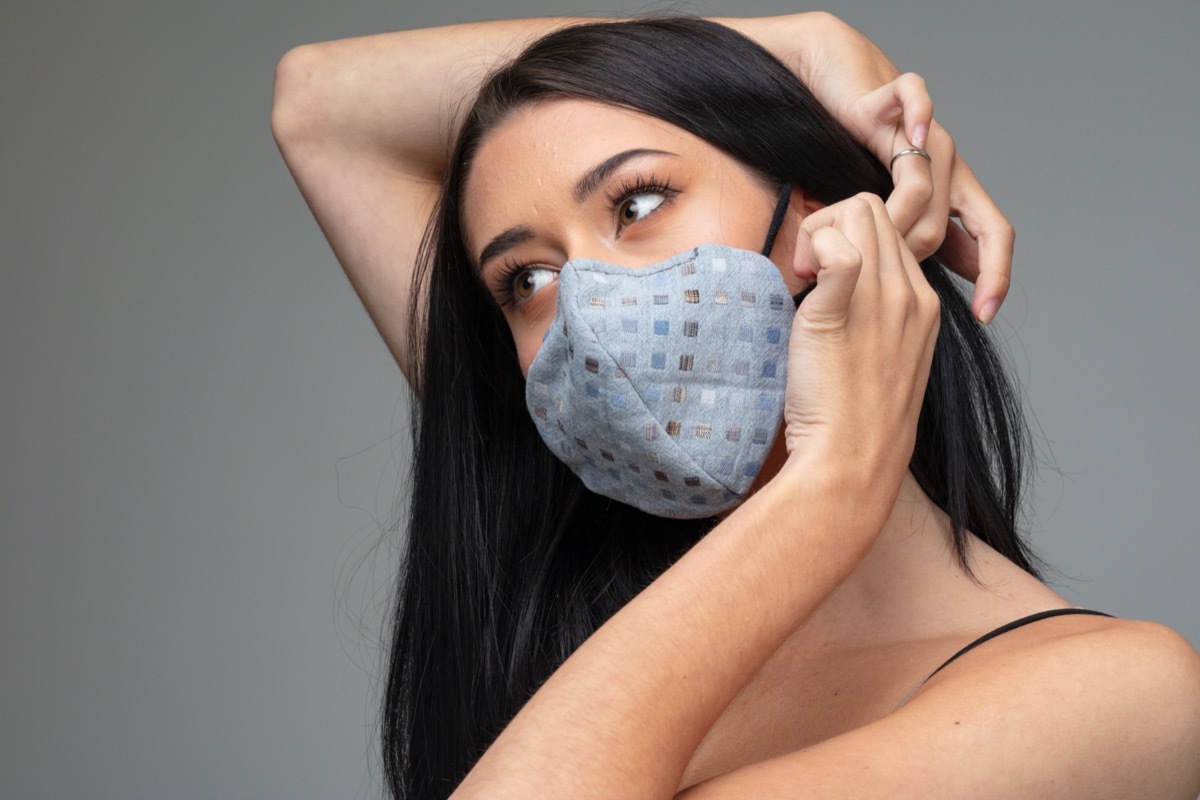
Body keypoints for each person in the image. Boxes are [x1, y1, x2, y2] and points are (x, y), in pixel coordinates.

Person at [272, 13, 1200, 800]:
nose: (589, 311)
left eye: (638, 203)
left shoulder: (1119, 701)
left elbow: (325, 107)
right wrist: (798, 43)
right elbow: (322, 106)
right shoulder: (569, 556)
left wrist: (837, 483)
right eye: (528, 277)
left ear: (827, 212)